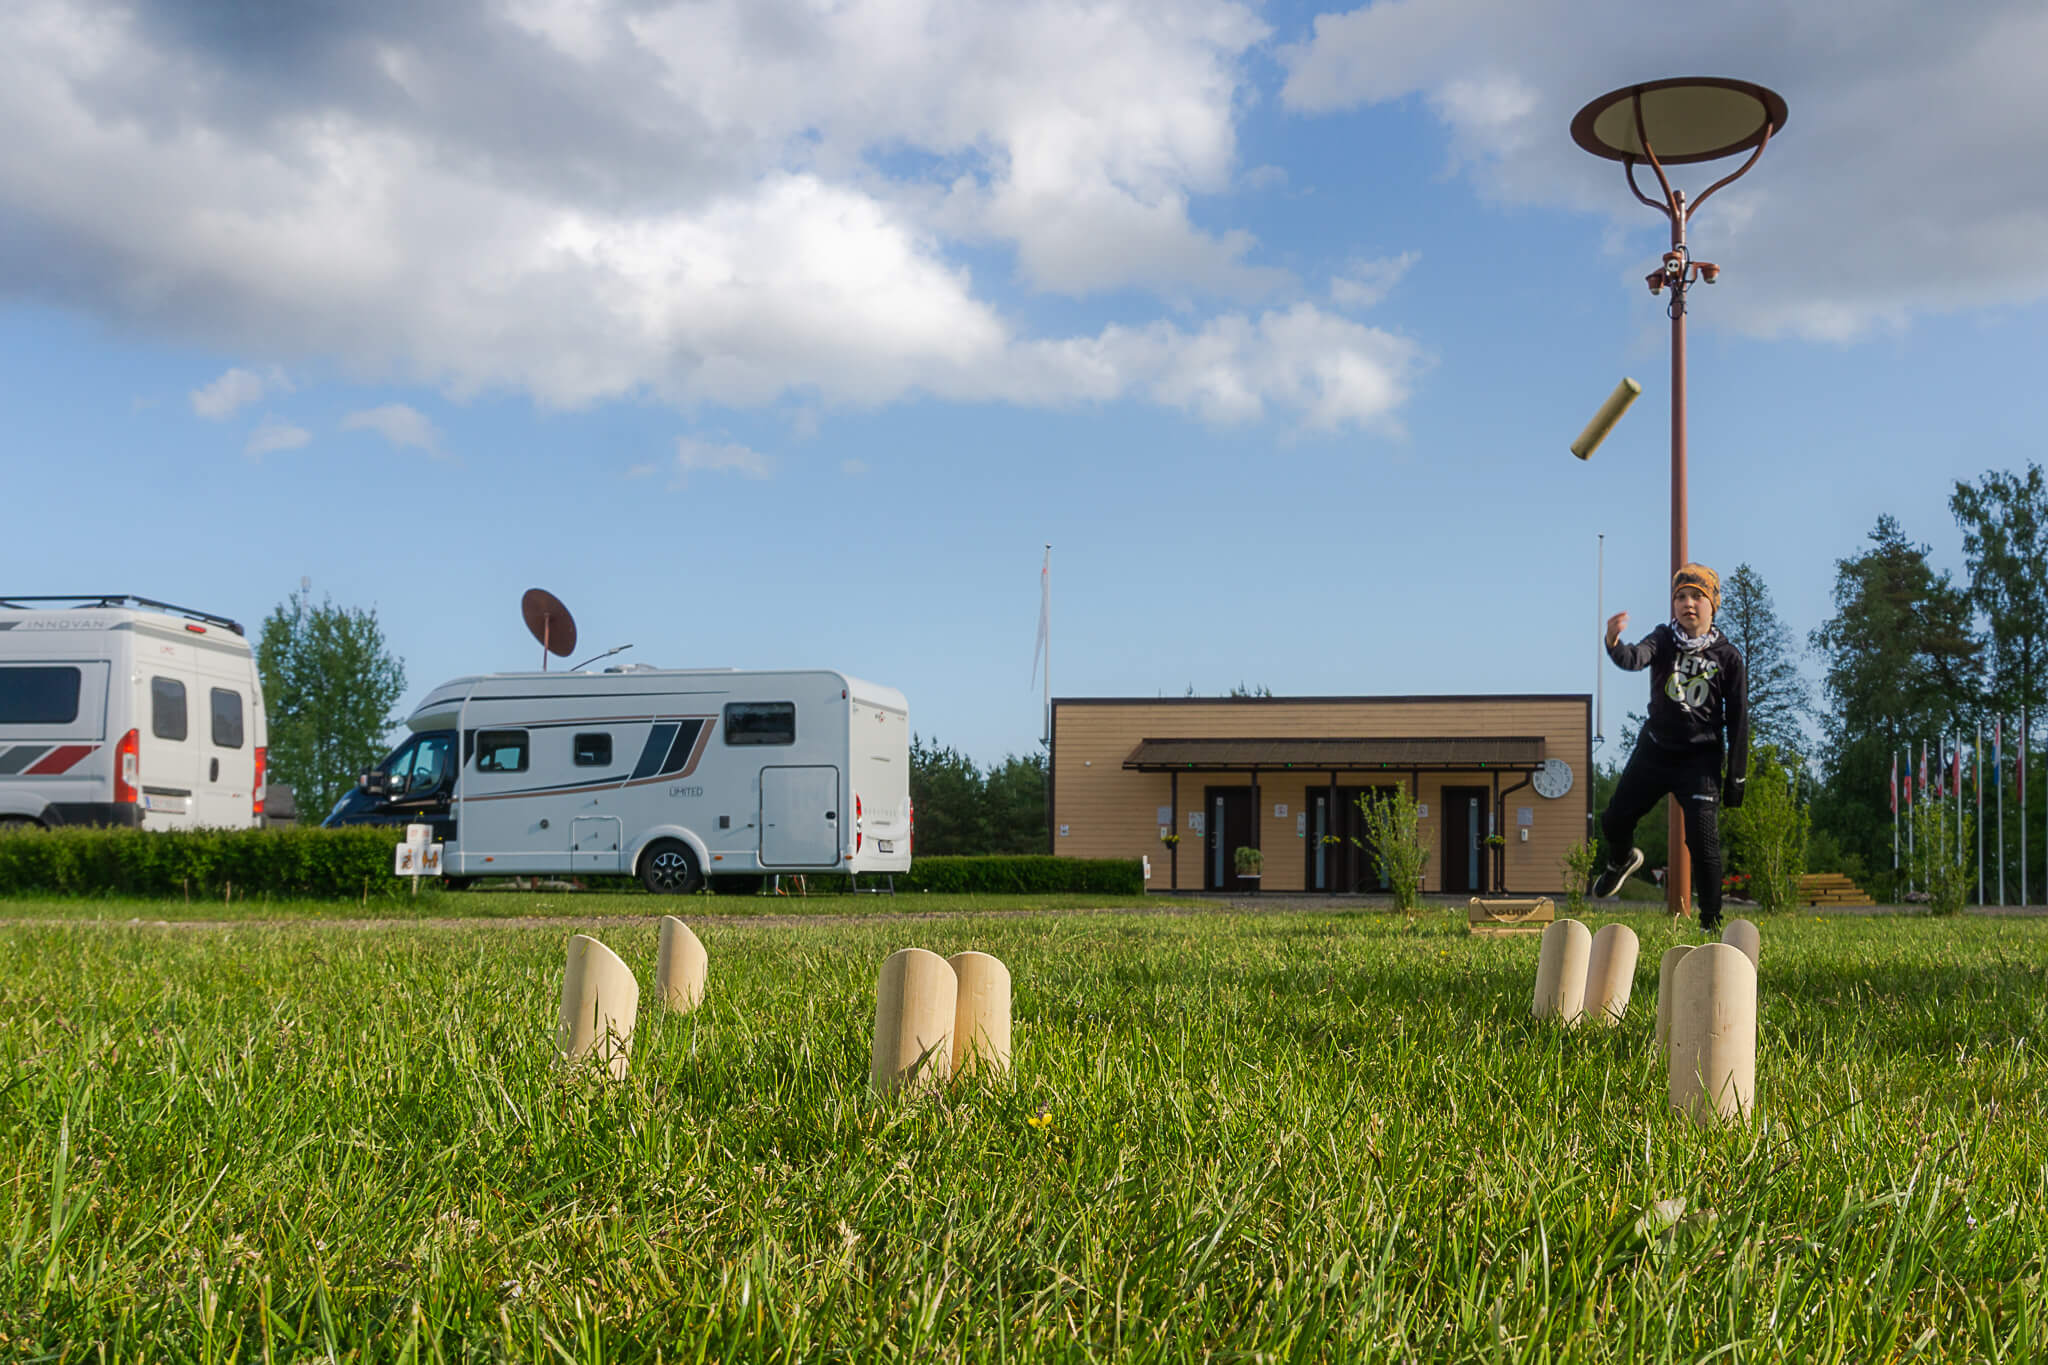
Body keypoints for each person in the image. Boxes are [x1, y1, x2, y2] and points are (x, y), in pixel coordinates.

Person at [1592, 563, 1749, 932]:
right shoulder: (1663, 638)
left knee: (1704, 842)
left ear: (1713, 605)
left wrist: (1736, 778)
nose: (1688, 603)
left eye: (1697, 596)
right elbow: (1635, 658)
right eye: (1680, 596)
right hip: (1655, 750)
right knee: (1614, 819)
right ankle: (1621, 861)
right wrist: (1614, 642)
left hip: (1700, 759)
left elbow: (1739, 718)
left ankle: (1710, 924)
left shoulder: (1728, 657)